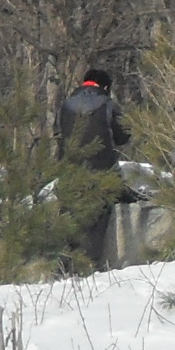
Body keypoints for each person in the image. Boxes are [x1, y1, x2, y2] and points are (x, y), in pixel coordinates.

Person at [55, 67, 132, 266]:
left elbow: (60, 135)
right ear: (105, 86)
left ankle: (64, 266)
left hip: (70, 174)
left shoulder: (65, 106)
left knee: (70, 219)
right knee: (97, 219)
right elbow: (123, 137)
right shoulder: (108, 105)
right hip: (102, 173)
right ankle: (89, 267)